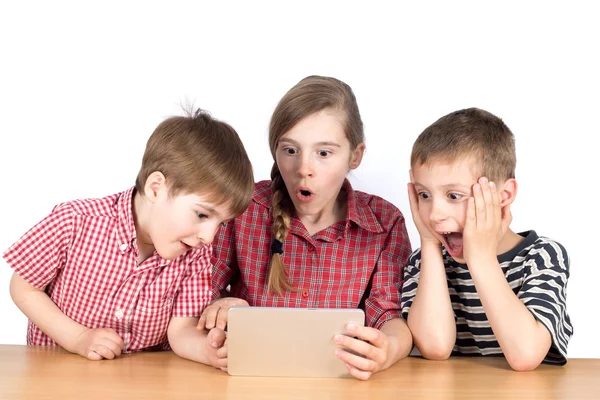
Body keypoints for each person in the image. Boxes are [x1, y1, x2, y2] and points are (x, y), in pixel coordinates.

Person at [197, 75, 413, 380]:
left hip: (339, 383)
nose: (303, 169)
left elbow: (389, 315)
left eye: (323, 153)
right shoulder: (244, 208)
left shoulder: (384, 222)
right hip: (251, 378)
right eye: (290, 150)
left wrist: (388, 349)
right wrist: (218, 305)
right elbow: (196, 291)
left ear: (355, 155)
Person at [4, 109, 254, 366]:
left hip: (138, 382)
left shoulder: (195, 255)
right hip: (56, 374)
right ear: (156, 188)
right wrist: (78, 337)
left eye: (221, 223)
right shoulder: (76, 221)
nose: (209, 237)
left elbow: (181, 329)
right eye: (202, 215)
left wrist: (208, 351)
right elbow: (24, 288)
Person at [401, 107, 573, 371]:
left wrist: (480, 258)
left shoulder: (542, 257)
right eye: (424, 195)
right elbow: (435, 347)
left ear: (503, 196)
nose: (434, 214)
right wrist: (428, 243)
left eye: (454, 196)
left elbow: (525, 355)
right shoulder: (424, 261)